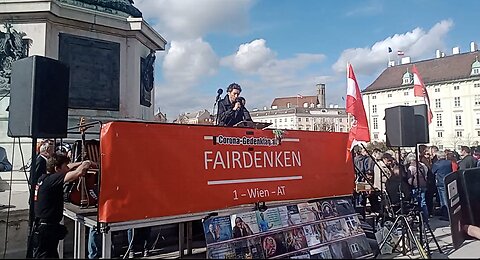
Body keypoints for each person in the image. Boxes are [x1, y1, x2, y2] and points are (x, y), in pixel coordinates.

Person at [32, 154, 91, 258]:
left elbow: (70, 166)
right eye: (65, 167)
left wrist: (80, 163)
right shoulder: (52, 180)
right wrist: (87, 163)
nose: (67, 169)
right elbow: (78, 172)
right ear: (57, 169)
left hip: (44, 226)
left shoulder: (44, 178)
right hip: (46, 230)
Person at [431, 151, 452, 221]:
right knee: (448, 199)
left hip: (440, 183)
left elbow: (432, 172)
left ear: (438, 157)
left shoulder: (437, 164)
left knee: (443, 200)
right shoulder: (449, 162)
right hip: (448, 181)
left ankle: (445, 215)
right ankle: (449, 214)